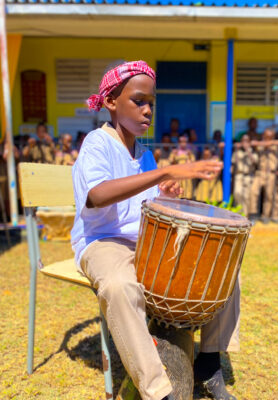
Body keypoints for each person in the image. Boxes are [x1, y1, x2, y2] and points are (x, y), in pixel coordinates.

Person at [71, 61, 239, 400]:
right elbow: (97, 195)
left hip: (144, 244)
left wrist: (165, 193)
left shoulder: (144, 154)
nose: (148, 109)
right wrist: (164, 173)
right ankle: (159, 391)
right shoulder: (97, 144)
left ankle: (208, 363)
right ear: (111, 102)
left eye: (152, 102)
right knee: (120, 286)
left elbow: (146, 203)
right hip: (102, 242)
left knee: (221, 266)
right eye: (138, 100)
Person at [249, 128, 278, 220]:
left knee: (269, 195)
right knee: (253, 192)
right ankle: (252, 214)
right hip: (260, 172)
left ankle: (265, 216)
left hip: (271, 173)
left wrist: (271, 142)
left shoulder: (276, 146)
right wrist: (264, 143)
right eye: (266, 136)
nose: (267, 138)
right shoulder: (260, 145)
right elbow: (253, 143)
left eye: (269, 137)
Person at [231, 135, 257, 216]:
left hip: (247, 176)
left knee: (246, 196)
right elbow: (234, 162)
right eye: (243, 141)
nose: (245, 143)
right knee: (237, 193)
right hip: (239, 175)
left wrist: (248, 151)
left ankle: (245, 215)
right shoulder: (237, 152)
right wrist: (237, 149)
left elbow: (254, 161)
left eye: (247, 141)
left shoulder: (253, 152)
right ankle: (239, 214)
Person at [169, 134, 196, 199]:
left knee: (187, 194)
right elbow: (171, 162)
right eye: (182, 142)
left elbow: (193, 162)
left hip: (186, 175)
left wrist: (189, 156)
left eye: (185, 142)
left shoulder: (189, 152)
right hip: (177, 175)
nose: (183, 144)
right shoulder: (175, 152)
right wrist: (174, 155)